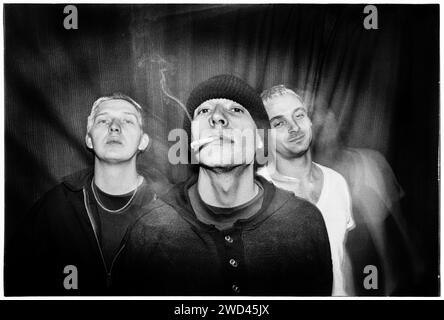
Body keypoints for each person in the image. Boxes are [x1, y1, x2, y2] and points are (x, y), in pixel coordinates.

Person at [116, 75, 332, 295]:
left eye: (236, 110)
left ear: (260, 139)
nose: (217, 117)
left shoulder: (304, 221)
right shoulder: (149, 228)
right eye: (203, 111)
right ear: (191, 143)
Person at [5, 93, 171, 295]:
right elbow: (14, 280)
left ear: (143, 142)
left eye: (127, 120)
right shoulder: (56, 207)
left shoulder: (172, 207)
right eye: (103, 120)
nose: (114, 126)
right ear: (89, 140)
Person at [257, 85, 355, 296]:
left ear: (309, 121)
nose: (294, 128)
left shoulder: (337, 182)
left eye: (299, 115)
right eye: (279, 123)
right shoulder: (256, 191)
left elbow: (340, 255)